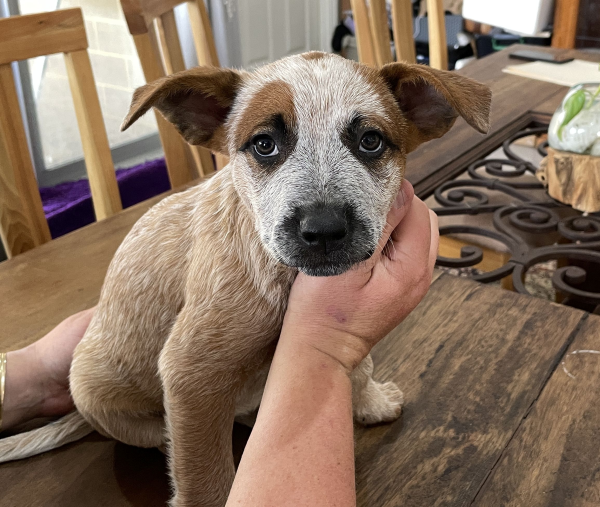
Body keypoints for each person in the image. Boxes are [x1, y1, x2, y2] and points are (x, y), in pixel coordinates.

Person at [0, 180, 438, 506]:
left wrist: (37, 364)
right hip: (132, 397)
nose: (321, 212)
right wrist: (332, 343)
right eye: (266, 145)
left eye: (369, 142)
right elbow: (191, 375)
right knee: (105, 395)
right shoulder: (234, 270)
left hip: (234, 388)